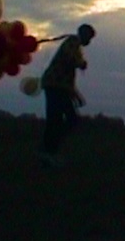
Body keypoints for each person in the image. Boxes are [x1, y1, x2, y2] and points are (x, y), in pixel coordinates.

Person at [38, 23, 96, 167]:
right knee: (60, 120)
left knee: (59, 120)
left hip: (57, 86)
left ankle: (49, 150)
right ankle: (48, 152)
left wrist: (75, 95)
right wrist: (82, 63)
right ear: (84, 35)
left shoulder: (74, 45)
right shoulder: (72, 43)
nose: (89, 41)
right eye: (89, 38)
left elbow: (68, 76)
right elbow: (72, 60)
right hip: (55, 86)